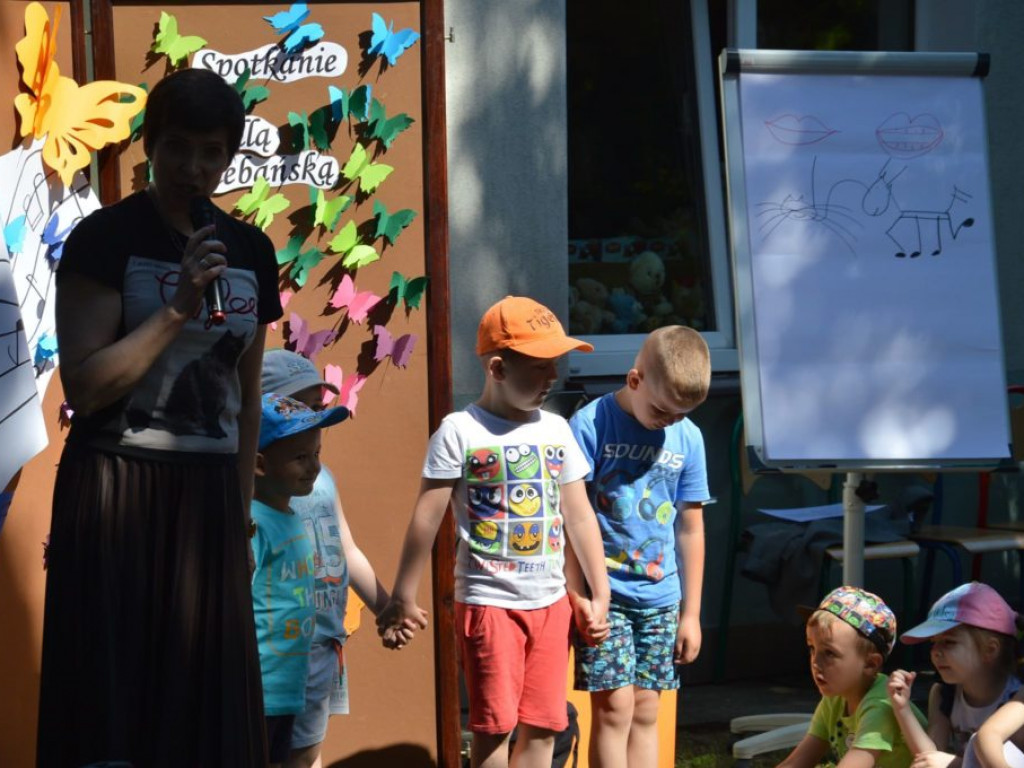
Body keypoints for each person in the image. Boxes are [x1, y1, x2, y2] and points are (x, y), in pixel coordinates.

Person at [38, 67, 282, 766]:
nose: (193, 168)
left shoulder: (250, 251)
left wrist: (238, 513)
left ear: (229, 157)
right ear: (150, 144)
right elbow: (86, 386)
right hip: (118, 487)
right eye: (177, 147)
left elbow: (247, 398)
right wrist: (176, 309)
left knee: (204, 702)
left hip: (207, 496)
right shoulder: (106, 238)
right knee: (115, 695)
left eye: (212, 153)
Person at [376, 296, 612, 768]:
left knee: (544, 726)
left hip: (551, 605)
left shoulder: (557, 430)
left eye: (556, 364)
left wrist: (597, 593)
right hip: (490, 604)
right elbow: (426, 518)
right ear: (498, 368)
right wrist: (402, 594)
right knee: (495, 728)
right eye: (540, 366)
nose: (553, 377)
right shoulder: (460, 431)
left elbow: (579, 516)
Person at [259, 349, 421, 768]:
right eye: (298, 406)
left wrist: (386, 607)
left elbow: (346, 548)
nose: (312, 418)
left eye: (317, 406)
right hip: (277, 654)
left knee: (308, 752)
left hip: (323, 645)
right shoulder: (257, 495)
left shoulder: (322, 478)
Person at [565, 325, 711, 767]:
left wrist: (691, 614)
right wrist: (578, 595)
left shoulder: (689, 438)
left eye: (682, 414)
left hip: (662, 599)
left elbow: (691, 528)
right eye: (663, 410)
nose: (671, 422)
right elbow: (569, 519)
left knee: (647, 710)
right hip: (607, 597)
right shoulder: (590, 425)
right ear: (634, 380)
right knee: (614, 710)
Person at [252, 392, 350, 767]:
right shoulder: (253, 524)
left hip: (289, 687)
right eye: (300, 457)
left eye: (316, 454)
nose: (314, 467)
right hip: (258, 690)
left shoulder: (290, 516)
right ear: (259, 464)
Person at [779, 586, 925, 768]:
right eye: (812, 648)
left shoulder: (881, 705)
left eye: (829, 653)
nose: (815, 662)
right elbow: (796, 762)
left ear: (870, 664)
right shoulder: (834, 699)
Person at [887, 582, 1022, 767]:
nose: (935, 651)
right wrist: (902, 708)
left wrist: (955, 764)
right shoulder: (944, 694)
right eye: (933, 642)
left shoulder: (1017, 699)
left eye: (949, 642)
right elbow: (930, 756)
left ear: (990, 649)